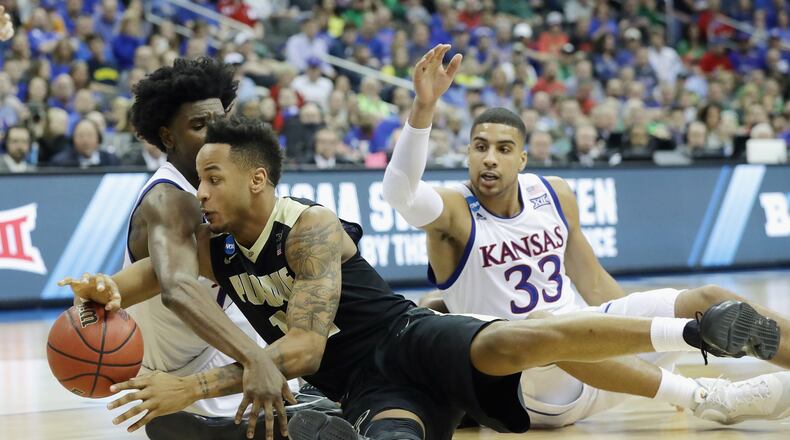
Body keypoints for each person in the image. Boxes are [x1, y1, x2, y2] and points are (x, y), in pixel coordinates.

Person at [62, 50, 779, 440]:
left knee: (522, 337)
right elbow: (133, 283)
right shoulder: (209, 237)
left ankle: (693, 333)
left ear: (256, 180)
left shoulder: (309, 225)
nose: (201, 195)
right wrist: (99, 295)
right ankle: (322, 424)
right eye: (200, 180)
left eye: (212, 180)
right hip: (369, 388)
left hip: (411, 341)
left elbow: (304, 350)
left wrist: (187, 386)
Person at [381, 45, 790, 429]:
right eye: (480, 147)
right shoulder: (453, 211)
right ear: (467, 154)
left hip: (593, 354)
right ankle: (710, 396)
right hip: (531, 382)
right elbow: (400, 193)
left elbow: (595, 285)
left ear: (522, 158)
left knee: (709, 300)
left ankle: (679, 374)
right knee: (542, 327)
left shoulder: (553, 192)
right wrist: (425, 105)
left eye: (504, 149)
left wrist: (650, 352)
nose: (490, 157)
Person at [98, 57, 313, 440]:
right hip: (170, 369)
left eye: (219, 121)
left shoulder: (221, 187)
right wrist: (255, 358)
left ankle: (311, 399)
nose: (215, 134)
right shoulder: (170, 199)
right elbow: (177, 290)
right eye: (199, 126)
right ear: (168, 137)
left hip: (211, 348)